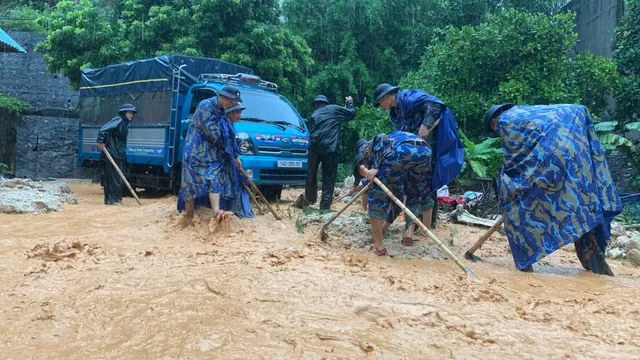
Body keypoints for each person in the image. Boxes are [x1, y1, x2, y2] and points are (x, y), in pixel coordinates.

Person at [485, 103, 622, 275]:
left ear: (494, 121)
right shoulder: (534, 113)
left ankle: (524, 268)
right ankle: (598, 270)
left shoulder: (505, 120)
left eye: (494, 128)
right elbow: (577, 110)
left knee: (514, 213)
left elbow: (514, 164)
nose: (497, 131)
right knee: (583, 211)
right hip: (578, 161)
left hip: (551, 164)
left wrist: (508, 186)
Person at [373, 83, 464, 230]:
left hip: (429, 145)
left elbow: (435, 106)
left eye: (379, 102)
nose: (380, 106)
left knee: (428, 181)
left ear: (385, 97)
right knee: (412, 183)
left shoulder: (408, 98)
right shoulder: (394, 114)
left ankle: (429, 222)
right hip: (413, 151)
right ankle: (414, 222)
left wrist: (425, 125)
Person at [177, 85, 254, 230]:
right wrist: (230, 154)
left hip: (211, 154)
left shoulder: (221, 110)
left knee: (214, 179)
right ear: (223, 97)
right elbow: (214, 134)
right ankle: (187, 217)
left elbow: (228, 134)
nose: (232, 104)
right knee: (191, 184)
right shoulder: (205, 106)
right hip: (195, 152)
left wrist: (235, 156)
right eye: (231, 101)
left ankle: (216, 212)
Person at [357, 131, 432, 255]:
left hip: (400, 151)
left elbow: (380, 136)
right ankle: (409, 233)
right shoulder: (396, 137)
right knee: (414, 192)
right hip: (425, 151)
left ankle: (378, 245)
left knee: (378, 193)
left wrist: (375, 166)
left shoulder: (367, 147)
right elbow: (396, 196)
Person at [294, 95, 356, 210]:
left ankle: (309, 200)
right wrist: (350, 102)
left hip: (314, 148)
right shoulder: (334, 109)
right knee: (329, 177)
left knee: (311, 174)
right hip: (330, 149)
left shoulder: (313, 115)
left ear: (315, 105)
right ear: (326, 103)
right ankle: (325, 206)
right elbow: (351, 113)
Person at [96, 103, 135, 205]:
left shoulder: (123, 123)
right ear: (124, 113)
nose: (131, 115)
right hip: (113, 153)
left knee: (115, 177)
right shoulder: (119, 120)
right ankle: (114, 200)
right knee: (114, 178)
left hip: (118, 153)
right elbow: (104, 129)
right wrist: (101, 141)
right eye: (129, 112)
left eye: (132, 113)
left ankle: (112, 200)